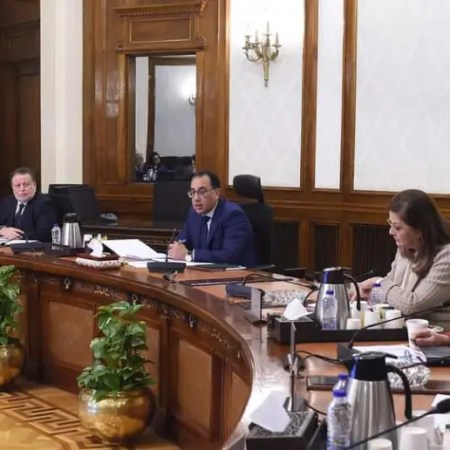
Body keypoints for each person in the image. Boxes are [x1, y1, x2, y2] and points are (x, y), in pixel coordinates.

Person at [355, 189, 450, 329]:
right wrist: (365, 292)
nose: (391, 232)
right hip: (402, 332)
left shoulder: (446, 257)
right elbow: (392, 289)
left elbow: (412, 305)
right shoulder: (405, 248)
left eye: (397, 227)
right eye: (390, 224)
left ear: (420, 230)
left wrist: (378, 283)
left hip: (435, 336)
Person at [168, 170, 258, 267]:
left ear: (216, 193)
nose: (196, 198)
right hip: (204, 272)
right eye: (193, 192)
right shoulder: (193, 213)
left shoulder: (233, 215)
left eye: (202, 192)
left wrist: (190, 255)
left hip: (237, 273)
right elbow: (182, 240)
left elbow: (231, 255)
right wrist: (177, 248)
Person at [0, 167, 57, 242]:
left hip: (32, 248)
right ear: (12, 187)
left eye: (26, 185)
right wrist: (2, 230)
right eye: (18, 185)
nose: (22, 189)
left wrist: (15, 235)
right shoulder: (6, 202)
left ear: (35, 185)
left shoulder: (44, 204)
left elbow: (44, 234)